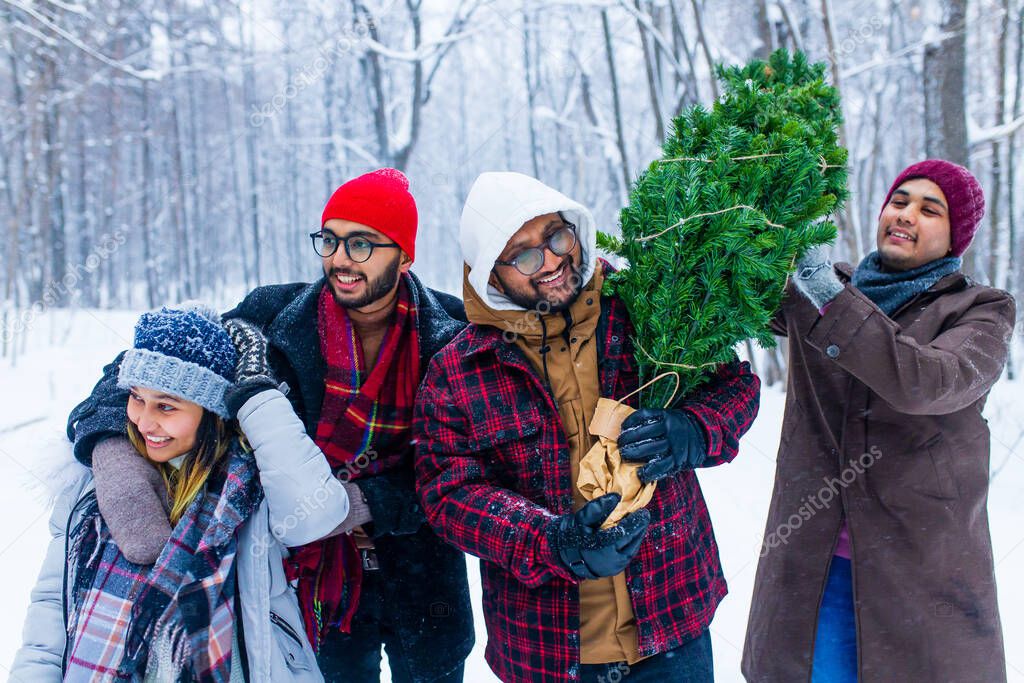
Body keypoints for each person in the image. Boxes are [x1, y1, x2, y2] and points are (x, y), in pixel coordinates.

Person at [62, 168, 474, 683]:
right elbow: (146, 365)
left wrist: (367, 502)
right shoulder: (272, 315)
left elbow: (470, 465)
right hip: (311, 577)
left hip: (423, 578)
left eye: (363, 244)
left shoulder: (454, 335)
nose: (340, 259)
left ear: (405, 255)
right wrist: (111, 449)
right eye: (330, 239)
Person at [413, 171, 761, 683]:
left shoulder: (643, 308)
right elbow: (447, 492)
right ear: (490, 274)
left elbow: (735, 385)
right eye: (525, 255)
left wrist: (691, 429)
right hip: (545, 651)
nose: (552, 261)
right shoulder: (459, 371)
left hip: (670, 625)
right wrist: (549, 540)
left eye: (557, 236)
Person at [742, 159, 1015, 682]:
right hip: (814, 571)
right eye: (899, 201)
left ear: (956, 235)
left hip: (917, 578)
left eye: (929, 209)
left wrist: (827, 293)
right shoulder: (822, 288)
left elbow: (927, 382)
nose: (906, 214)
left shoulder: (980, 312)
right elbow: (735, 289)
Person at [12, 303, 352, 680]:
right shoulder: (91, 484)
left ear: (210, 411)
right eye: (136, 398)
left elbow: (316, 514)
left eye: (167, 406)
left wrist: (255, 389)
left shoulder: (252, 491)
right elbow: (49, 615)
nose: (144, 421)